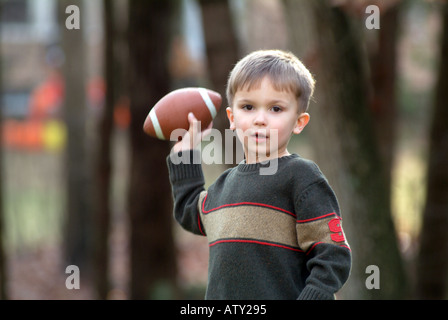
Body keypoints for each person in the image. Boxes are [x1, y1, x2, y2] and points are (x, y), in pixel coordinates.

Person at [166, 49, 351, 300]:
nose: (260, 119)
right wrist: (184, 153)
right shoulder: (224, 185)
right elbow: (190, 211)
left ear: (299, 122)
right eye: (248, 107)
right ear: (232, 118)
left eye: (276, 109)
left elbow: (332, 254)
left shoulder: (301, 177)